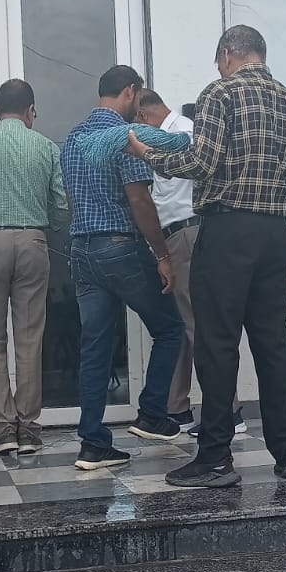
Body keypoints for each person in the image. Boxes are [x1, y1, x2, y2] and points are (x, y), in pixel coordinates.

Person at [131, 25, 286, 486]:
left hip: (227, 229)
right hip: (273, 231)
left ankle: (215, 457)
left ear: (228, 54)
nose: (219, 68)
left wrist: (148, 154)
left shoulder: (220, 92)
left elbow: (201, 162)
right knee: (272, 343)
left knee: (216, 343)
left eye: (219, 61)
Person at [61, 67, 187, 471]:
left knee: (94, 348)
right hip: (119, 246)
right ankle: (152, 412)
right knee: (171, 329)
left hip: (82, 249)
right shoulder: (122, 136)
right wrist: (162, 254)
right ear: (130, 91)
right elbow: (140, 200)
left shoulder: (72, 139)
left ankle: (93, 443)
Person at [134, 88, 245, 437]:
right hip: (173, 238)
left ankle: (227, 412)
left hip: (188, 234)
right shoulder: (173, 134)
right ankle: (177, 408)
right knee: (180, 326)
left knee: (200, 325)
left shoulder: (184, 133)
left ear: (142, 115)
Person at [0, 79, 70, 456]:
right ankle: (28, 427)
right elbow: (60, 205)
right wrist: (49, 227)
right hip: (33, 241)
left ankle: (2, 428)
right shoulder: (45, 146)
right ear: (31, 111)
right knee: (30, 336)